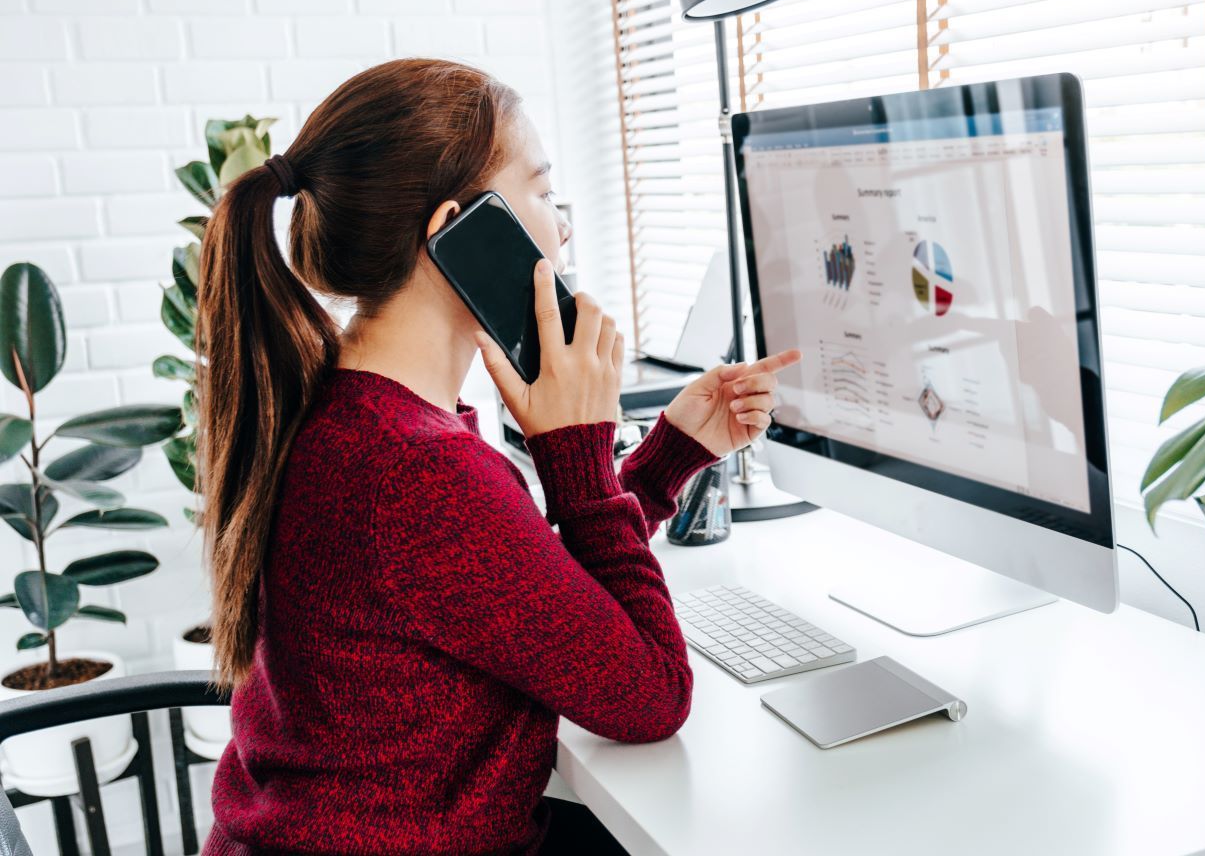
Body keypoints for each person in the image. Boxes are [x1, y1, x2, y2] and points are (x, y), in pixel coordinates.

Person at [194, 59, 800, 854]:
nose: (564, 228)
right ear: (459, 230)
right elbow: (652, 696)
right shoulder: (413, 469)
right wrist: (573, 450)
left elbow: (508, 597)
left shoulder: (354, 412)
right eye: (545, 195)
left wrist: (662, 463)